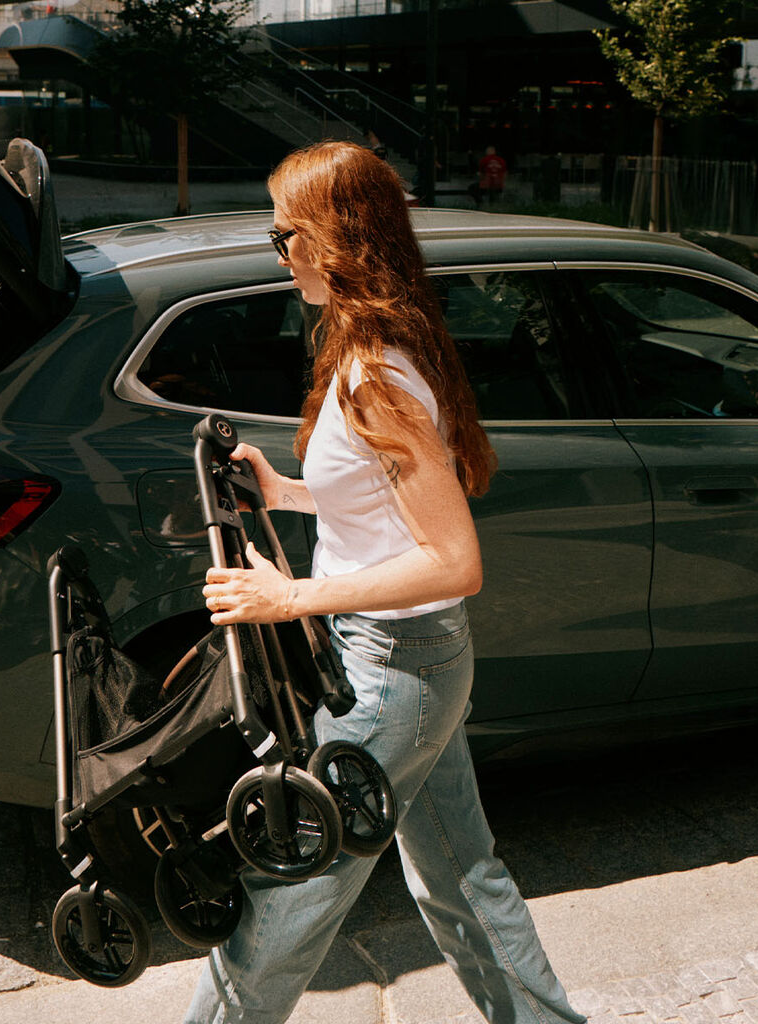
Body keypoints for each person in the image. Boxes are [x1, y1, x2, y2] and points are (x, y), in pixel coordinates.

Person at [187, 141, 584, 1024]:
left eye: (284, 231)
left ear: (333, 238)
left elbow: (453, 560)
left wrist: (288, 599)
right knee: (463, 886)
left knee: (281, 901)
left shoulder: (377, 374)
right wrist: (286, 493)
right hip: (409, 665)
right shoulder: (366, 347)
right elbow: (378, 505)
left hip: (395, 673)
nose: (278, 249)